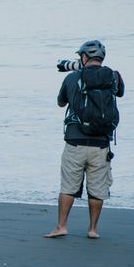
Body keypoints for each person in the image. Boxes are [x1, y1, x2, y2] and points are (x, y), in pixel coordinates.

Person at [45, 40, 124, 239]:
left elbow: (60, 102)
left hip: (75, 141)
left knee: (68, 187)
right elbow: (120, 93)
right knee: (97, 189)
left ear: (83, 57)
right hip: (101, 144)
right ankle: (92, 230)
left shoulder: (72, 77)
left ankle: (62, 226)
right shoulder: (113, 77)